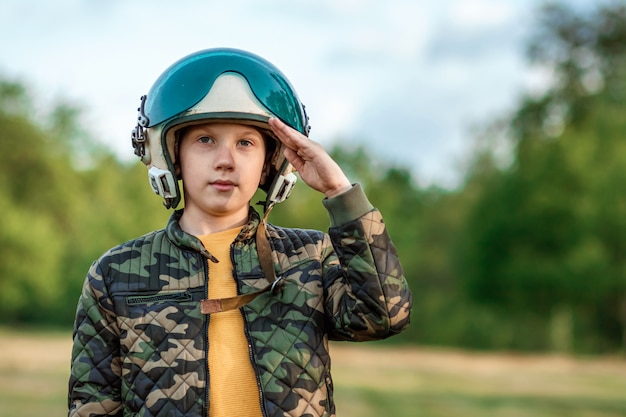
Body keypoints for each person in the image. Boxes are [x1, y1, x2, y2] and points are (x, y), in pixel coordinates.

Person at [68, 47, 412, 417]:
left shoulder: (310, 256)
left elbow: (384, 316)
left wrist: (340, 194)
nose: (225, 160)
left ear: (271, 162)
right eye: (205, 139)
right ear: (172, 155)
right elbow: (93, 404)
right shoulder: (117, 273)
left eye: (245, 143)